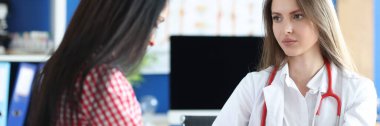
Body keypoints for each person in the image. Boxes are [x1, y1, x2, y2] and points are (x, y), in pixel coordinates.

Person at [213, 0, 377, 125]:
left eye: (297, 16)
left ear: (321, 18)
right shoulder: (253, 86)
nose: (286, 29)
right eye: (277, 18)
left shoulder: (358, 91)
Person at [26, 0, 167, 125]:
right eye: (154, 24)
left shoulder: (67, 66)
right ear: (127, 17)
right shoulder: (102, 80)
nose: (152, 40)